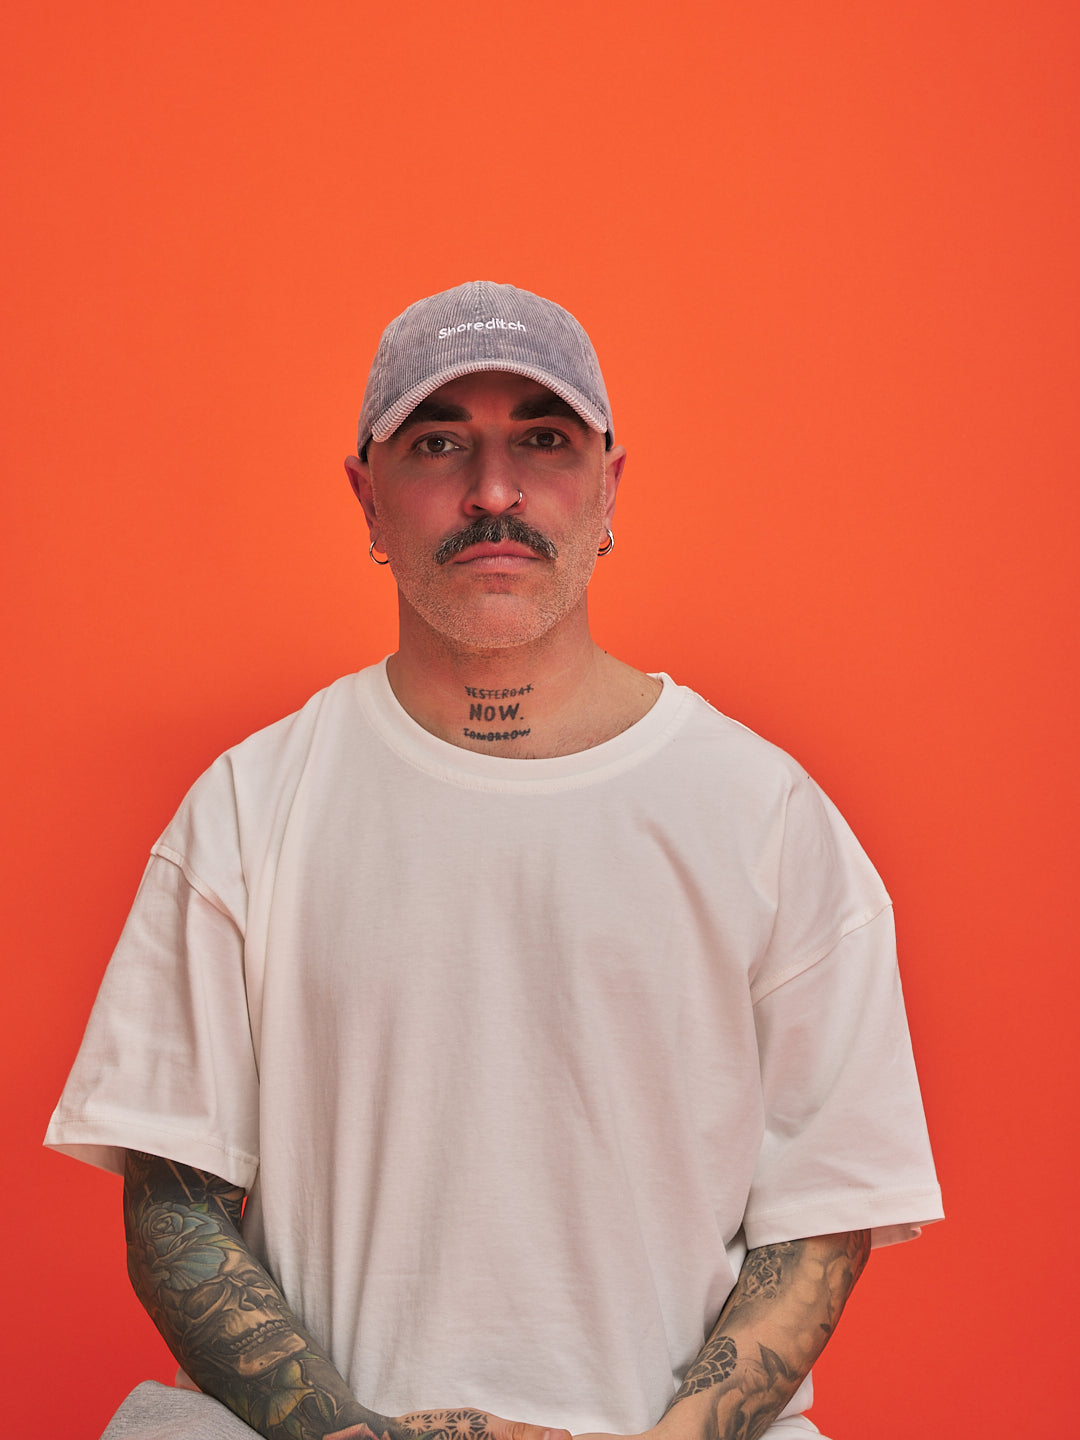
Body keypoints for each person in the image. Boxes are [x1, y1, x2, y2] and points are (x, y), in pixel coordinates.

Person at [46, 281, 943, 1440]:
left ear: (610, 486)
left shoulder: (767, 816)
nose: (495, 492)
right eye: (438, 444)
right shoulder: (248, 807)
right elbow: (175, 1205)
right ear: (367, 500)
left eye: (543, 438)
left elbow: (821, 1213)